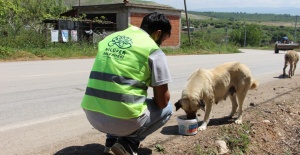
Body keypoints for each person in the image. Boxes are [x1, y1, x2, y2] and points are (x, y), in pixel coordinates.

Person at [81, 12, 173, 155]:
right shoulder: (153, 50)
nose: (162, 44)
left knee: (115, 96)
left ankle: (111, 141)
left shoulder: (109, 39)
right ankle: (128, 143)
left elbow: (116, 75)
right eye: (164, 39)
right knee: (167, 108)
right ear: (158, 33)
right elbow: (162, 102)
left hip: (92, 114)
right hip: (123, 120)